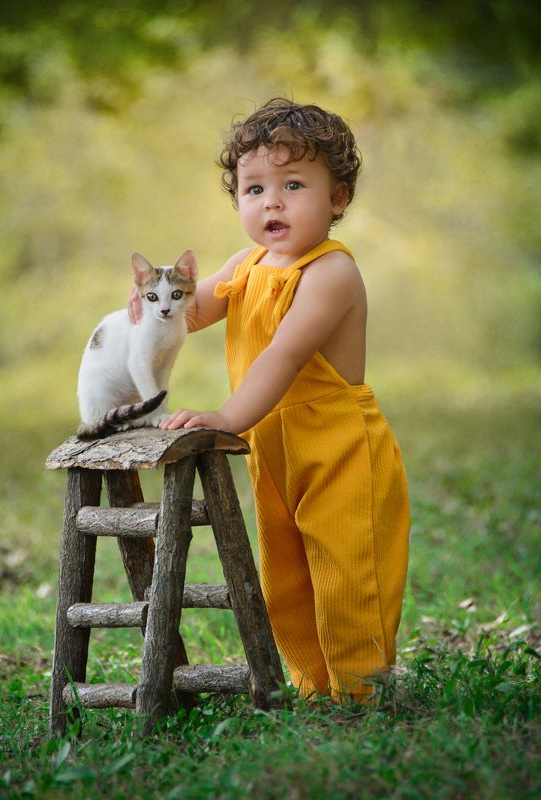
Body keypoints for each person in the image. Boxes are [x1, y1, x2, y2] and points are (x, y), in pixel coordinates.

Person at [129, 98, 410, 701]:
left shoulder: (330, 273)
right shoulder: (247, 263)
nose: (272, 201)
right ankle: (316, 687)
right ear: (237, 202)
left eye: (292, 184)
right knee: (286, 578)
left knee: (346, 572)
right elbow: (193, 309)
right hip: (275, 452)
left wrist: (226, 418)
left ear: (337, 198)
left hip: (339, 449)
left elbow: (281, 356)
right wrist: (150, 308)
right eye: (254, 189)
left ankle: (363, 692)